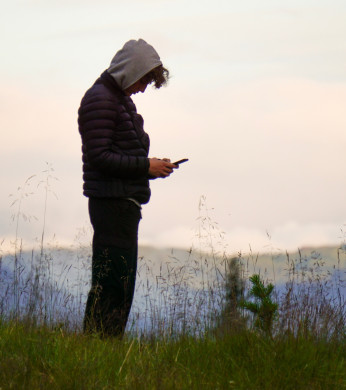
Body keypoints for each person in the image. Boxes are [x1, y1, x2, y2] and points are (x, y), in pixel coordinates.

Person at [78, 39, 177, 337]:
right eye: (144, 80)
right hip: (111, 204)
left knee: (120, 283)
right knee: (112, 282)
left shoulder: (118, 99)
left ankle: (104, 347)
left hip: (121, 203)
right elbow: (100, 157)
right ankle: (98, 346)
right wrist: (146, 167)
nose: (144, 88)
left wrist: (151, 167)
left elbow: (118, 153)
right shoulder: (101, 99)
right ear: (130, 70)